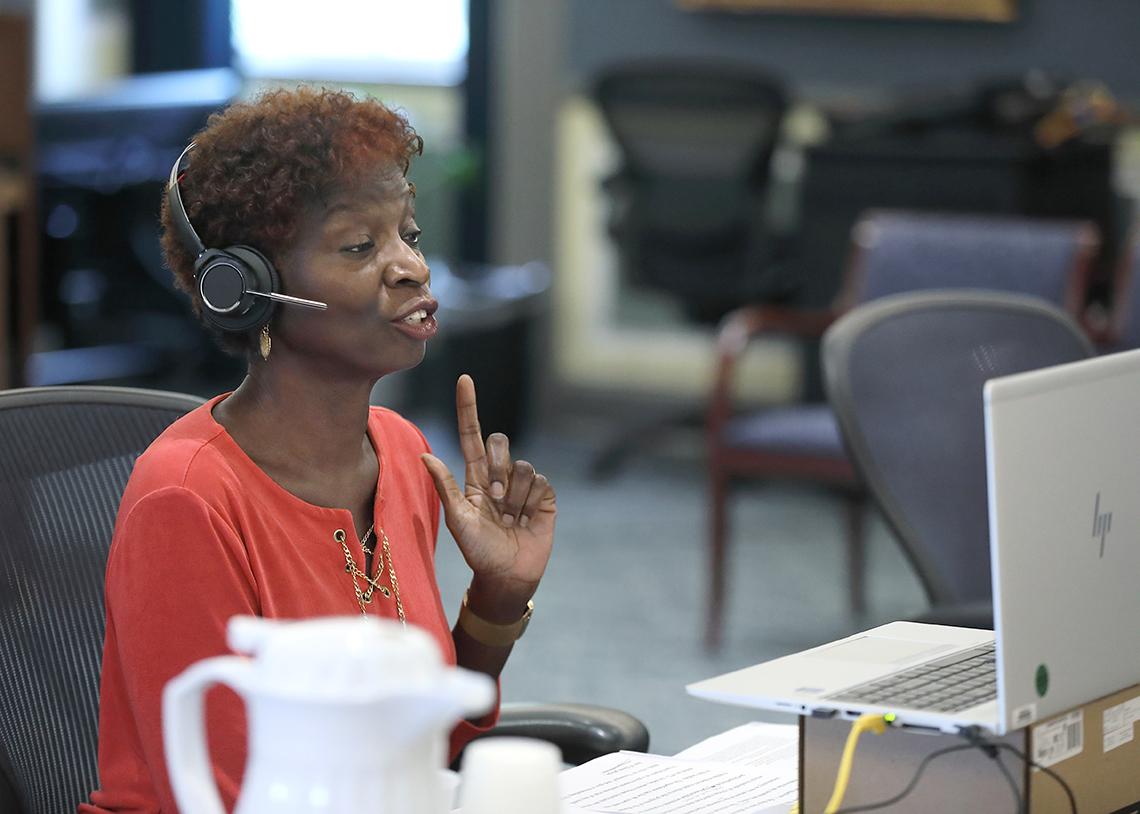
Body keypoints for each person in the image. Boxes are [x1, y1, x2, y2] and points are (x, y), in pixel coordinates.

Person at [80, 87, 556, 813]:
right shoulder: (189, 497)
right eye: (360, 246)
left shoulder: (399, 453)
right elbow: (228, 794)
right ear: (246, 289)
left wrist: (498, 597)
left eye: (410, 235)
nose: (410, 268)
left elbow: (424, 751)